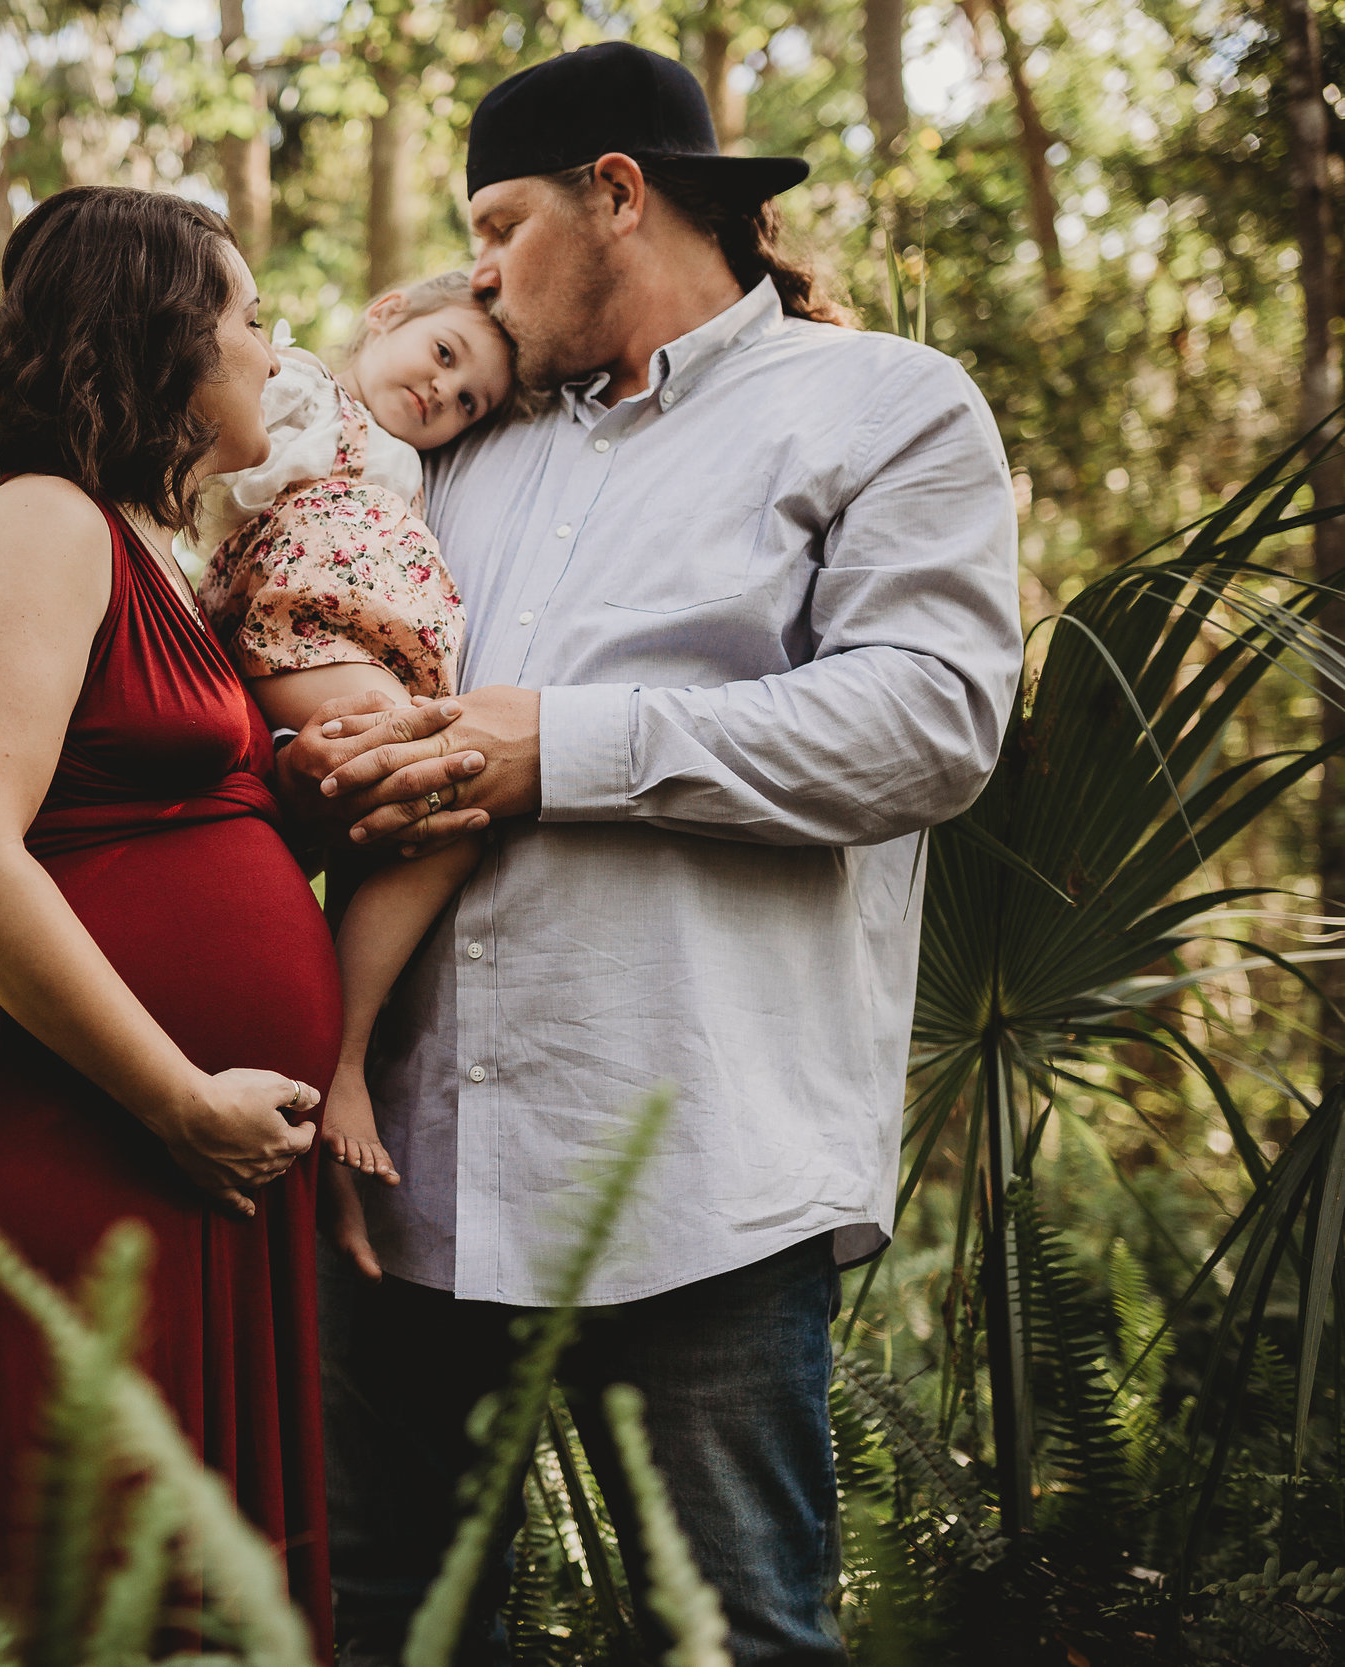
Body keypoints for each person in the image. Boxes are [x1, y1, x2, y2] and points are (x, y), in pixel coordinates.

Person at [280, 43, 1026, 1666]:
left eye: (499, 222)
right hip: (402, 1190)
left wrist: (567, 745)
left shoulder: (884, 405)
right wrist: (324, 764)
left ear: (619, 195)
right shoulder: (452, 445)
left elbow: (933, 722)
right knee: (391, 1634)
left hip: (706, 1185)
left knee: (737, 1637)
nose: (471, 271)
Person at [0, 184, 344, 1650]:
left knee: (177, 1600)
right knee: (84, 1593)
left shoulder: (156, 560)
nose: (272, 347)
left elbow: (164, 835)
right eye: (250, 316)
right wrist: (179, 1097)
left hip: (179, 1151)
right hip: (60, 1138)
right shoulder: (43, 525)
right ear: (168, 340)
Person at [190, 271, 517, 1202]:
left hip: (358, 636)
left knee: (439, 825)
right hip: (310, 616)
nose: (442, 394)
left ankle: (335, 1048)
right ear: (386, 315)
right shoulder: (298, 388)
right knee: (436, 790)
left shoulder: (410, 466)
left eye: (468, 402)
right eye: (443, 355)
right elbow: (223, 468)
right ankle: (339, 1061)